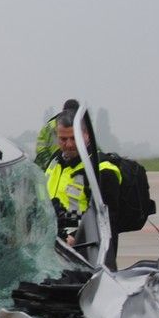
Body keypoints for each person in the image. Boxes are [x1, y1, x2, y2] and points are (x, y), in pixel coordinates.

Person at [44, 103, 122, 270]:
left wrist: (76, 237)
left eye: (74, 138)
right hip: (54, 249)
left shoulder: (101, 170)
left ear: (86, 135)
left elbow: (106, 222)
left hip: (86, 255)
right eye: (63, 139)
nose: (69, 144)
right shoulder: (54, 163)